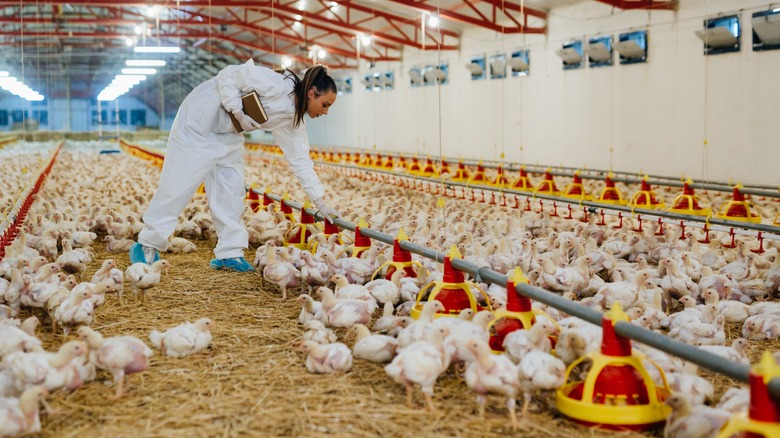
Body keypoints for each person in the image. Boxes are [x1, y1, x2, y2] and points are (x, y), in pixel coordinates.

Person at [129, 59, 341, 272]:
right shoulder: (278, 85)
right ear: (312, 92)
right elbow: (229, 74)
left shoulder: (293, 121)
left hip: (229, 131)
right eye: (325, 105)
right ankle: (147, 244)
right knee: (179, 184)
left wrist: (320, 201)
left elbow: (301, 160)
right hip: (200, 119)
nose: (326, 112)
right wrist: (237, 109)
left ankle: (230, 253)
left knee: (231, 189)